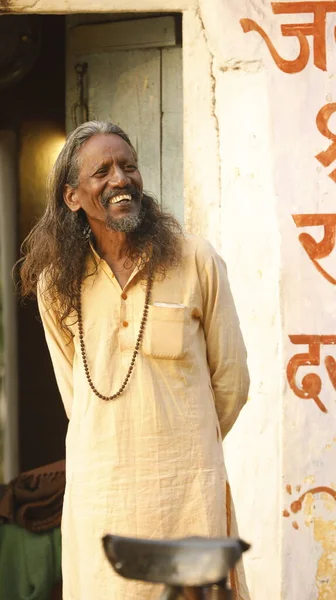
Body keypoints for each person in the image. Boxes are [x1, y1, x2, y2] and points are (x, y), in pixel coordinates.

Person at [19, 121, 250, 600]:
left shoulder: (195, 260)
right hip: (101, 491)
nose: (120, 178)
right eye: (101, 171)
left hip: (186, 489)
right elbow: (76, 396)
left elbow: (232, 381)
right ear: (72, 197)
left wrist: (184, 441)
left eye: (129, 165)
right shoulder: (55, 285)